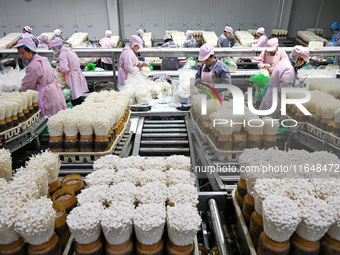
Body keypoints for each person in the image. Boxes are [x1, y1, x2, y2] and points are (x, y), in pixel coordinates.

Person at [14, 38, 66, 116]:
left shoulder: (33, 66)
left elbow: (27, 86)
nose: (21, 56)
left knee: (49, 119)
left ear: (31, 50)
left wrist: (20, 94)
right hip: (54, 92)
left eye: (22, 53)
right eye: (19, 53)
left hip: (45, 96)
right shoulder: (43, 59)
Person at [259, 45, 310, 118]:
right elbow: (284, 91)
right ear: (298, 59)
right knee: (269, 122)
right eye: (303, 61)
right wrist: (298, 89)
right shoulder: (289, 70)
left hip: (271, 93)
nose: (303, 64)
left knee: (264, 119)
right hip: (276, 99)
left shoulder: (286, 61)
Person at [49, 37, 88, 106]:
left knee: (74, 95)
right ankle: (81, 107)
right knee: (78, 94)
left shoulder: (62, 54)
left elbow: (65, 68)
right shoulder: (68, 50)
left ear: (56, 48)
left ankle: (77, 110)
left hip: (72, 76)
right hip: (76, 73)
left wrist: (58, 67)